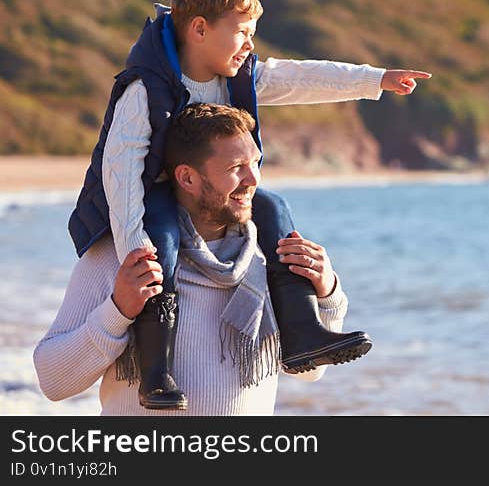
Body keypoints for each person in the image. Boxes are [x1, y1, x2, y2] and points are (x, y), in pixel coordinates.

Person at [66, 0, 431, 410]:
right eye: (241, 32)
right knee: (157, 243)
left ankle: (301, 331)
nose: (250, 45)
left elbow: (299, 77)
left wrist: (375, 79)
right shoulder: (145, 90)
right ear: (199, 29)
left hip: (209, 195)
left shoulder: (237, 75)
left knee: (273, 205)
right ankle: (155, 370)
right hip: (153, 199)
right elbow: (121, 179)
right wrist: (132, 254)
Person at [35, 103, 358, 415]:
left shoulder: (270, 256)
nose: (253, 180)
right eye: (236, 168)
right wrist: (118, 310)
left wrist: (327, 293)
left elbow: (308, 373)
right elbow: (54, 382)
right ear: (187, 178)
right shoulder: (123, 256)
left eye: (256, 163)